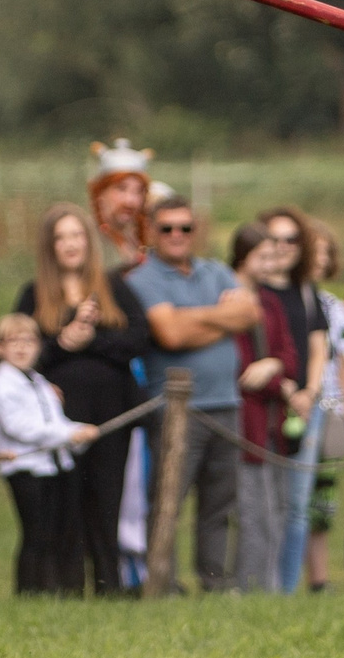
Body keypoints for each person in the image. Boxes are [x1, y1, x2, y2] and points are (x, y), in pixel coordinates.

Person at [123, 194, 259, 592]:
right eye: (167, 228)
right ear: (151, 231)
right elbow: (170, 334)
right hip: (176, 411)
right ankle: (161, 583)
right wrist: (221, 318)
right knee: (168, 502)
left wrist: (189, 316)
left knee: (219, 504)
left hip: (226, 404)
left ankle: (214, 583)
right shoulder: (142, 280)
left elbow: (249, 314)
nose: (177, 235)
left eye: (185, 227)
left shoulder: (215, 271)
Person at [16, 204, 150, 597]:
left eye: (77, 235)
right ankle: (68, 586)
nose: (71, 244)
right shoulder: (33, 294)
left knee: (108, 500)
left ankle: (110, 586)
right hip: (60, 420)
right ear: (50, 246)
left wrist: (94, 339)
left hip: (112, 415)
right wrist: (61, 344)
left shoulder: (113, 288)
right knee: (67, 500)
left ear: (89, 242)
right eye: (61, 237)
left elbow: (139, 338)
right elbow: (21, 354)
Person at [0, 312, 98, 595]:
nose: (22, 348)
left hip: (53, 465)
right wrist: (69, 435)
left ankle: (62, 588)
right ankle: (31, 591)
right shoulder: (2, 384)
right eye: (13, 341)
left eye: (29, 341)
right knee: (36, 533)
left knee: (61, 529)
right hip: (25, 468)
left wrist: (80, 431)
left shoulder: (39, 381)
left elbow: (54, 422)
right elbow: (19, 428)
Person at [227, 222, 304, 594]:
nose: (271, 262)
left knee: (277, 512)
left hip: (273, 425)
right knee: (252, 513)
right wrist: (279, 381)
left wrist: (273, 367)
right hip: (245, 424)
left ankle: (269, 588)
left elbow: (289, 355)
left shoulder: (271, 301)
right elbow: (241, 372)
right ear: (244, 258)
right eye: (263, 256)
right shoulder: (227, 298)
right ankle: (248, 588)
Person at [285, 223, 344, 594]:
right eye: (313, 252)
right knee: (291, 495)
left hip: (330, 406)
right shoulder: (286, 299)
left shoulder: (334, 306)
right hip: (296, 405)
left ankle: (318, 578)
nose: (319, 260)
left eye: (325, 253)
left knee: (322, 500)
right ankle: (283, 577)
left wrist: (343, 408)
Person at [87, 140, 154, 270]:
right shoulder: (85, 236)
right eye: (121, 189)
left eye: (139, 191)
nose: (130, 201)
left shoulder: (137, 238)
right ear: (100, 192)